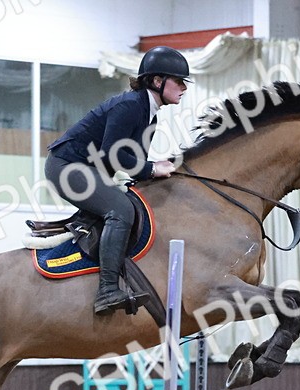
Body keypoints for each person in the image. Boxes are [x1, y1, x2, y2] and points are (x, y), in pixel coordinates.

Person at [44, 46, 191, 315]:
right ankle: (107, 290)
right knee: (120, 210)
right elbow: (113, 153)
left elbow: (132, 164)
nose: (184, 88)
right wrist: (150, 169)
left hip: (89, 170)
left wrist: (157, 169)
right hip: (65, 167)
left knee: (132, 202)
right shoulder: (130, 106)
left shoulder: (149, 115)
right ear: (158, 81)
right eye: (179, 81)